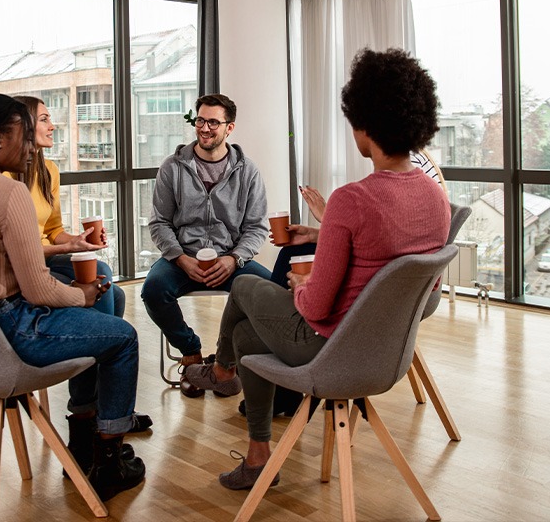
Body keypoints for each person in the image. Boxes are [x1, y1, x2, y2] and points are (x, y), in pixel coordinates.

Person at [183, 48, 451, 490]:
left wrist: (298, 283)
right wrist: (326, 236)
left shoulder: (352, 199)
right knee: (249, 338)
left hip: (325, 348)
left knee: (247, 284)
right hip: (384, 353)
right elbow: (392, 262)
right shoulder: (434, 196)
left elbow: (317, 306)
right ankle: (258, 457)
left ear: (363, 125)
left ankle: (223, 371)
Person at [0, 93, 145, 501]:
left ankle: (84, 438)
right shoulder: (7, 193)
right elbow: (39, 291)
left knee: (105, 306)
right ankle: (108, 459)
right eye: (23, 136)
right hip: (14, 330)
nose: (30, 146)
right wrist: (83, 296)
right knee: (123, 335)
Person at [8, 95, 149, 433]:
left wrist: (76, 242)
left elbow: (52, 230)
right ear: (24, 126)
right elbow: (20, 250)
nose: (52, 125)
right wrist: (65, 249)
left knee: (111, 290)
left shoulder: (48, 170)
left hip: (45, 259)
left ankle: (90, 407)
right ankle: (93, 408)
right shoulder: (5, 179)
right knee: (107, 286)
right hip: (20, 271)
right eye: (43, 119)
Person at [141, 93, 272, 398]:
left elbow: (256, 227)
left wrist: (235, 259)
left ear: (230, 128)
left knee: (270, 293)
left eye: (214, 122)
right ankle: (191, 354)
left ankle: (225, 364)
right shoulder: (172, 167)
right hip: (183, 258)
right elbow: (159, 222)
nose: (205, 127)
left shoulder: (248, 171)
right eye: (201, 120)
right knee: (153, 290)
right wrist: (179, 258)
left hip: (230, 259)